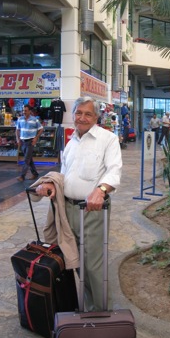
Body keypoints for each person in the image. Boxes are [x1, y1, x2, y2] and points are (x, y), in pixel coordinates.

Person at [35, 96, 122, 311]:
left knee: (93, 265)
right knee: (75, 260)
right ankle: (87, 306)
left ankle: (102, 314)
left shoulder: (108, 139)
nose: (82, 118)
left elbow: (114, 170)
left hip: (92, 211)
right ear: (73, 114)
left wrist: (101, 190)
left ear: (96, 117)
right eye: (79, 113)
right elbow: (66, 173)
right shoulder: (71, 141)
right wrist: (55, 186)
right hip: (67, 210)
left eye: (88, 114)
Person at [16, 104, 43, 181]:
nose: (24, 112)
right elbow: (17, 130)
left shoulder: (34, 119)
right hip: (23, 142)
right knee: (29, 159)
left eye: (26, 111)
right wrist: (18, 139)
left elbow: (41, 129)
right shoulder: (20, 119)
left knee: (26, 159)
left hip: (30, 142)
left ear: (29, 111)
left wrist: (36, 138)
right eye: (23, 110)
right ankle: (35, 173)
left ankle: (22, 176)